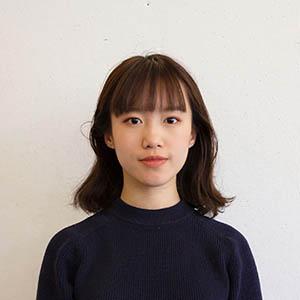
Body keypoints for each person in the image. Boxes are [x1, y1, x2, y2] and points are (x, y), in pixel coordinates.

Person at [36, 53, 263, 299]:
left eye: (171, 119)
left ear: (192, 134)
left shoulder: (228, 249)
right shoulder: (71, 251)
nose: (152, 139)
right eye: (133, 120)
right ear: (108, 135)